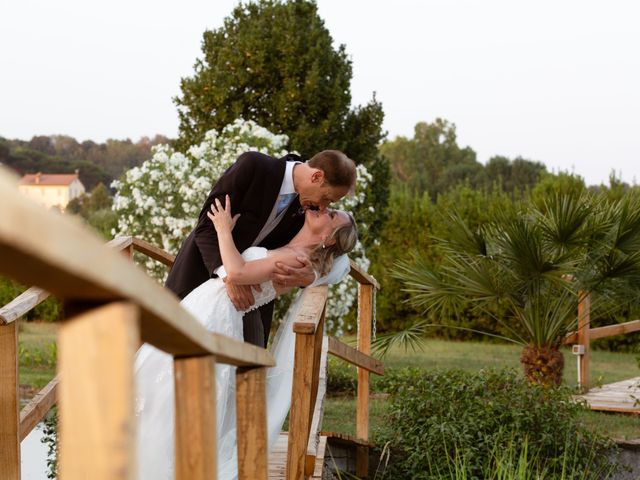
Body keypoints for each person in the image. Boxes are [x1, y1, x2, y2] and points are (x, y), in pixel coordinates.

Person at [135, 195, 358, 479]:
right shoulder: (295, 250)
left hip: (215, 318)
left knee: (172, 387)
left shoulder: (297, 260)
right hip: (206, 309)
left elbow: (237, 272)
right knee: (161, 385)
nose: (325, 209)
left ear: (328, 238)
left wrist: (223, 229)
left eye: (332, 214)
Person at [165, 150, 357, 347]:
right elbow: (207, 225)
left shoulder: (309, 212)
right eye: (326, 198)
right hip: (197, 276)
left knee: (242, 372)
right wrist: (228, 276)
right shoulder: (254, 166)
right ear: (317, 177)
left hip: (248, 309)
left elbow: (340, 259)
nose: (323, 206)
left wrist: (311, 276)